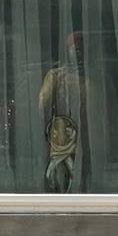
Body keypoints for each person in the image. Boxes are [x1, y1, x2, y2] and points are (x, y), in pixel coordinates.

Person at [38, 30, 87, 192]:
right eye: (74, 48)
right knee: (54, 173)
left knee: (79, 174)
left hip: (84, 137)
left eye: (81, 48)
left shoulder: (92, 79)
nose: (78, 53)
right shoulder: (55, 76)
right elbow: (41, 105)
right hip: (59, 136)